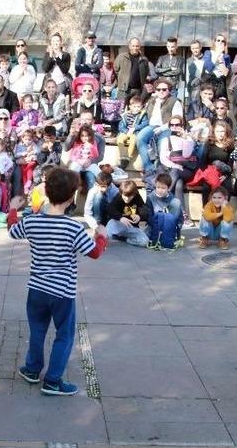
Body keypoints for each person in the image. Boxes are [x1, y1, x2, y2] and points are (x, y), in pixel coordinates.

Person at [9, 167, 108, 396]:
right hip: (62, 292)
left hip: (36, 289)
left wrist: (13, 210)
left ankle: (32, 369)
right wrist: (101, 235)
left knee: (37, 330)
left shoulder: (32, 222)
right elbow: (94, 253)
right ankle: (53, 380)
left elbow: (13, 231)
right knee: (64, 334)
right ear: (72, 196)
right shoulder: (73, 227)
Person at [136, 78, 183, 174]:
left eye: (164, 89)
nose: (161, 91)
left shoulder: (174, 101)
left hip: (167, 127)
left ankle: (161, 169)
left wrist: (162, 128)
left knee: (163, 143)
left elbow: (178, 119)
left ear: (169, 90)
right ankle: (148, 167)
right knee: (140, 138)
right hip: (151, 126)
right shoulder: (152, 101)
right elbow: (143, 114)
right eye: (158, 89)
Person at [105, 179, 150, 247]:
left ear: (134, 194)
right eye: (125, 197)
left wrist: (140, 216)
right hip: (118, 224)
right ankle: (111, 237)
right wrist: (120, 218)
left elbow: (145, 210)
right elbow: (110, 209)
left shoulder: (137, 197)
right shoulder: (119, 196)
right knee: (106, 235)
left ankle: (124, 239)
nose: (127, 199)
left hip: (131, 227)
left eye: (130, 197)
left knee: (145, 241)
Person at [147, 173, 184, 250]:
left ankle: (167, 239)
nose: (160, 190)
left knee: (176, 203)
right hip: (155, 226)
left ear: (168, 188)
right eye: (158, 187)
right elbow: (148, 217)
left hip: (168, 228)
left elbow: (179, 219)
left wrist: (178, 232)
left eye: (163, 188)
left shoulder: (173, 200)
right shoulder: (150, 197)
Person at [116, 93, 148, 167]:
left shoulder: (142, 115)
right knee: (120, 139)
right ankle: (122, 157)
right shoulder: (126, 115)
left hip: (135, 132)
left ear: (142, 107)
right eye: (134, 107)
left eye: (138, 107)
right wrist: (126, 131)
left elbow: (145, 123)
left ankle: (127, 158)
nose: (136, 108)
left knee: (132, 140)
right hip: (126, 132)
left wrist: (135, 128)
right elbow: (121, 126)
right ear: (130, 107)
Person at [14, 128, 39, 195]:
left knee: (30, 166)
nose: (28, 141)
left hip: (30, 160)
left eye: (29, 139)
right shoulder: (19, 145)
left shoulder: (33, 144)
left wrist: (31, 152)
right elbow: (16, 154)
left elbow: (37, 150)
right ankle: (26, 186)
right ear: (22, 139)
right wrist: (23, 153)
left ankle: (29, 181)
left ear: (32, 139)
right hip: (23, 161)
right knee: (24, 170)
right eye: (26, 139)